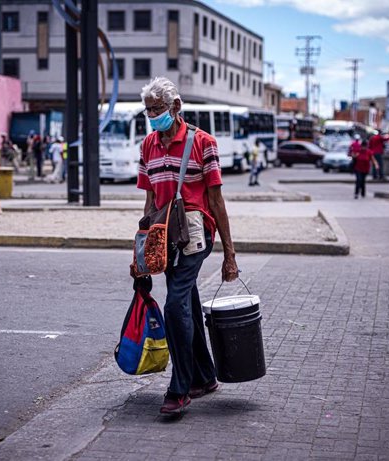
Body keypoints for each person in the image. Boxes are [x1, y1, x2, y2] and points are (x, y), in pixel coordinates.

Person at [136, 76, 239, 415]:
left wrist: (229, 255)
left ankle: (179, 388)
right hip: (166, 235)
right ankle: (204, 376)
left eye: (158, 109)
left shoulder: (203, 142)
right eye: (149, 110)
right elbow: (150, 203)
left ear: (176, 107)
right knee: (187, 303)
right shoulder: (148, 145)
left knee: (175, 303)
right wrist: (143, 248)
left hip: (197, 233)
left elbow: (217, 201)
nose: (153, 115)